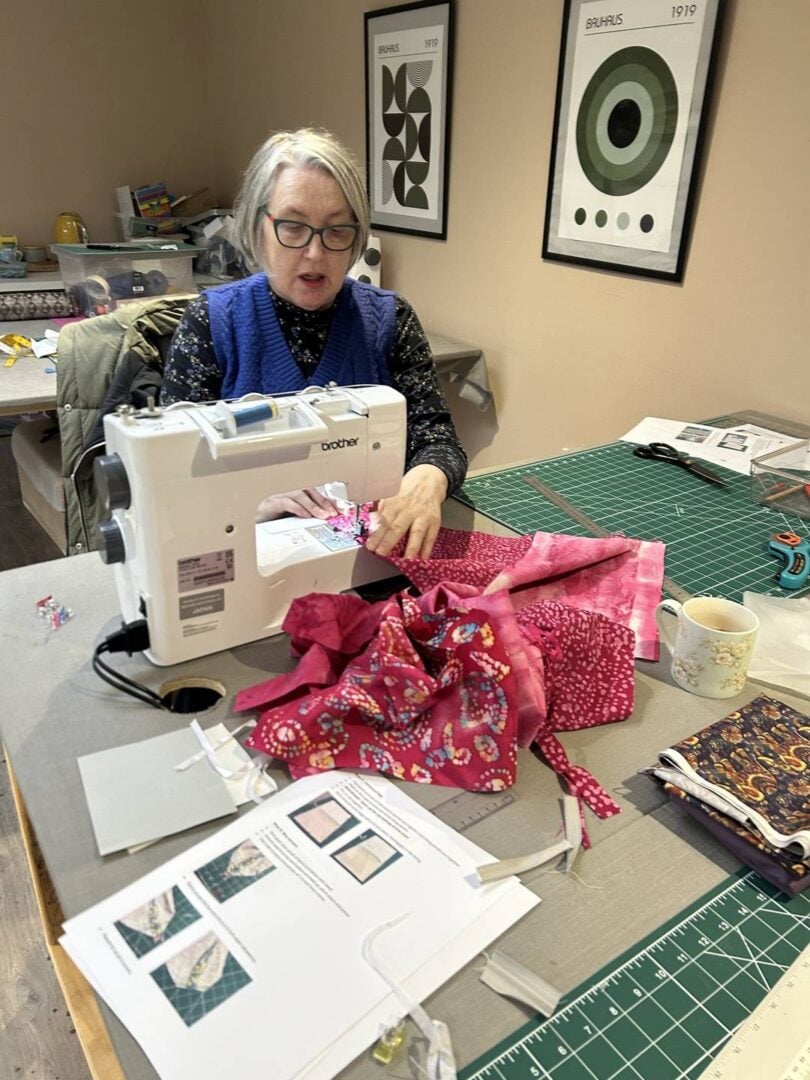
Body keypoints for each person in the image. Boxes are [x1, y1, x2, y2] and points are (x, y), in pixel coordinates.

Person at [160, 127, 467, 559]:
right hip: (249, 556)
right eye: (293, 227)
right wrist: (258, 501)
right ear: (258, 226)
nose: (315, 253)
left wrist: (428, 478)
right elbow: (171, 473)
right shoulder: (213, 323)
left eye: (336, 231)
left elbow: (438, 440)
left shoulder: (389, 321)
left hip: (368, 556)